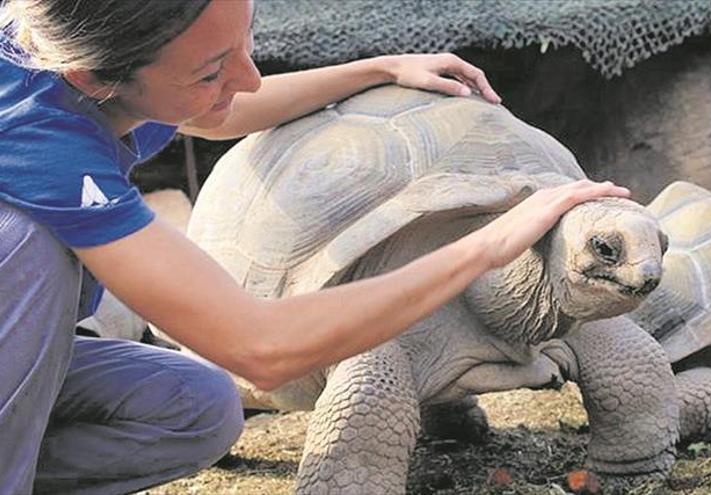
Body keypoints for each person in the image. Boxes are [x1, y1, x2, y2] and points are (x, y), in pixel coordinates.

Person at [0, 0, 631, 493]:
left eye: (245, 41)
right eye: (213, 69)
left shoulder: (58, 42)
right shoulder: (38, 137)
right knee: (26, 246)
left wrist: (381, 69)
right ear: (94, 78)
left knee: (201, 411)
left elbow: (212, 112)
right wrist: (488, 245)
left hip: (39, 356)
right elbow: (260, 348)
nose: (247, 78)